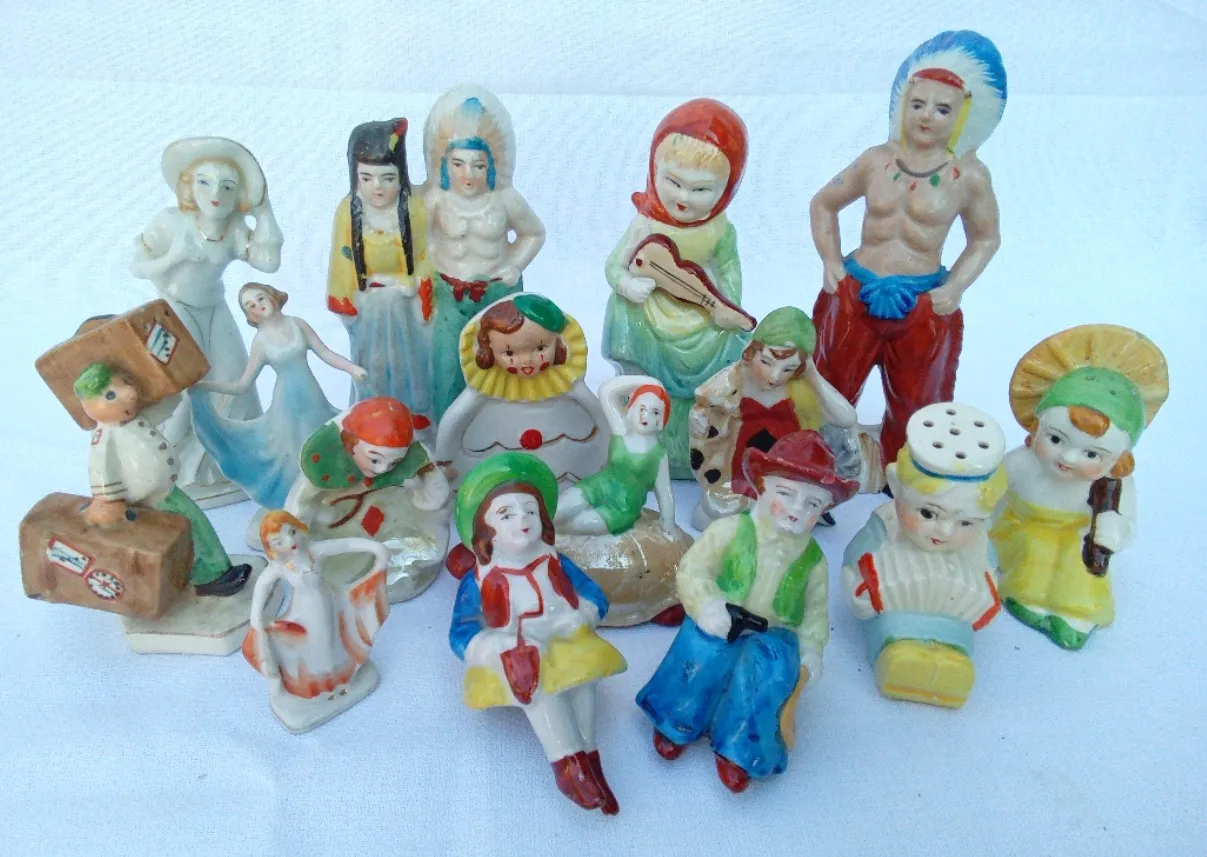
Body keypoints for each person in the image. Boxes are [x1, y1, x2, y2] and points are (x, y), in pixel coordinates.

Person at [808, 31, 1005, 475]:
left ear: (962, 115)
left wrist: (955, 286)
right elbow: (824, 203)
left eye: (942, 109)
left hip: (921, 302)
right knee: (829, 389)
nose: (927, 116)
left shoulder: (969, 176)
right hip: (856, 292)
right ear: (902, 105)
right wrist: (831, 261)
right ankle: (819, 469)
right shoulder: (875, 160)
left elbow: (986, 238)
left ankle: (906, 477)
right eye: (918, 104)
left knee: (919, 400)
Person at [636, 431, 857, 793]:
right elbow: (693, 569)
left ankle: (741, 748)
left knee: (767, 676)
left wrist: (811, 649)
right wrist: (708, 605)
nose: (797, 510)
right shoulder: (729, 529)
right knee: (700, 656)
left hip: (774, 633)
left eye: (813, 504)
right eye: (786, 494)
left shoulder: (814, 561)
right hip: (722, 618)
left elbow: (815, 612)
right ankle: (677, 720)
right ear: (762, 487)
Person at [449, 453, 626, 814]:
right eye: (506, 514)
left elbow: (595, 596)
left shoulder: (555, 562)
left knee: (584, 682)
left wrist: (582, 615)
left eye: (530, 510)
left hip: (567, 640)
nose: (523, 520)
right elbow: (461, 632)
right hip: (518, 655)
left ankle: (590, 756)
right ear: (485, 530)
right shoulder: (480, 579)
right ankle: (566, 764)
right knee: (541, 687)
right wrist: (494, 644)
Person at [992, 325, 1168, 650]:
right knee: (1035, 550)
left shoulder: (1113, 486)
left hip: (1079, 537)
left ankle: (1076, 615)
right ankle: (1025, 598)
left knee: (1079, 564)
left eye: (1091, 454)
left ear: (1118, 458)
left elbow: (1126, 523)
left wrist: (1115, 530)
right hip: (1020, 529)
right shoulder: (1021, 463)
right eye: (1056, 439)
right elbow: (990, 496)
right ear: (1037, 428)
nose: (1068, 458)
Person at [603, 98, 752, 478]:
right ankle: (640, 428)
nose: (683, 197)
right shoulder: (646, 222)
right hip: (652, 309)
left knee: (733, 343)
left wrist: (727, 303)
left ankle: (697, 440)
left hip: (699, 314)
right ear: (654, 171)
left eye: (701, 189)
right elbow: (614, 265)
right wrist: (627, 284)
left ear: (728, 188)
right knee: (623, 312)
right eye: (673, 182)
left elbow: (729, 268)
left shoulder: (720, 229)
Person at [130, 137, 283, 504]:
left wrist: (264, 211)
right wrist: (174, 256)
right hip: (173, 308)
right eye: (205, 182)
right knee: (187, 385)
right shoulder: (171, 222)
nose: (216, 194)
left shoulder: (233, 226)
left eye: (227, 186)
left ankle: (228, 460)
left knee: (235, 379)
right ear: (188, 186)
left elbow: (268, 262)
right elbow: (137, 266)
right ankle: (166, 466)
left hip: (214, 307)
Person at [842, 403, 1007, 708]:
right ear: (895, 485)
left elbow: (992, 569)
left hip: (954, 625)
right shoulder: (886, 524)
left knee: (952, 661)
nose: (944, 531)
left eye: (965, 522)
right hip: (895, 621)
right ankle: (897, 667)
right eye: (928, 513)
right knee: (897, 653)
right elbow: (853, 559)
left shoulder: (978, 543)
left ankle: (949, 674)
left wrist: (988, 592)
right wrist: (857, 591)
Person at [422, 86, 546, 420]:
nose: (468, 174)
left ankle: (499, 427)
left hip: (496, 293)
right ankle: (448, 431)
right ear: (444, 165)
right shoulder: (436, 200)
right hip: (450, 295)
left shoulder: (505, 199)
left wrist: (515, 264)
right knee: (447, 367)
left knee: (501, 365)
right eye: (458, 164)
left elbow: (534, 233)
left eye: (478, 165)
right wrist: (430, 267)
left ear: (491, 166)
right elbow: (418, 239)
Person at [76, 363, 251, 597]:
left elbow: (165, 408)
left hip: (165, 492)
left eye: (125, 384)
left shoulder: (135, 418)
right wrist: (107, 500)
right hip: (150, 501)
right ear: (89, 408)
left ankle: (208, 573)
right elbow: (101, 470)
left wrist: (177, 389)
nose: (129, 393)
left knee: (192, 528)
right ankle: (212, 575)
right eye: (110, 395)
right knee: (193, 527)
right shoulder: (105, 437)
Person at [189, 283, 366, 509]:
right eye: (250, 305)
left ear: (272, 296)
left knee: (324, 442)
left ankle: (334, 495)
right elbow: (242, 385)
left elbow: (324, 352)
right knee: (295, 454)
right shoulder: (261, 341)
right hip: (287, 405)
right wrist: (207, 386)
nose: (257, 305)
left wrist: (352, 369)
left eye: (260, 298)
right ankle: (300, 502)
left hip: (312, 398)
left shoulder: (297, 324)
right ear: (248, 315)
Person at [690, 307, 859, 526]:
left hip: (787, 477)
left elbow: (846, 419)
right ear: (752, 351)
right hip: (737, 472)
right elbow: (703, 403)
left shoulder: (801, 388)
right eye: (767, 362)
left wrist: (812, 375)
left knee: (787, 507)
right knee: (715, 510)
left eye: (789, 369)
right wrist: (698, 418)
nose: (775, 376)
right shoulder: (734, 380)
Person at [285, 397, 451, 603]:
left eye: (394, 463)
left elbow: (433, 497)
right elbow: (299, 508)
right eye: (374, 459)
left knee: (413, 543)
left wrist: (423, 483)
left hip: (387, 515)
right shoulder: (325, 467)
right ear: (350, 444)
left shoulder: (409, 462)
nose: (382, 469)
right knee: (341, 565)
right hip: (339, 527)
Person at [434, 294, 609, 487]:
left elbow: (600, 416)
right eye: (509, 353)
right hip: (499, 482)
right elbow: (454, 421)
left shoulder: (569, 388)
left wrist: (611, 454)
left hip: (566, 474)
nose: (526, 361)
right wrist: (444, 461)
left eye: (540, 348)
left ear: (559, 343)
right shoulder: (483, 393)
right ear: (489, 351)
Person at [327, 118, 434, 426]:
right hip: (368, 304)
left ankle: (413, 411)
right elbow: (341, 261)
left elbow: (428, 253)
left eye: (387, 178)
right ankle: (371, 412)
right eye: (367, 178)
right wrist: (347, 300)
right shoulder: (348, 211)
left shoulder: (414, 208)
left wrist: (414, 282)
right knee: (372, 361)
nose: (377, 187)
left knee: (408, 360)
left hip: (404, 302)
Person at [242, 510, 390, 733]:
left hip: (331, 603)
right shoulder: (280, 567)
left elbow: (345, 544)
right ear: (271, 547)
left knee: (337, 641)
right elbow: (262, 586)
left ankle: (342, 680)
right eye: (279, 541)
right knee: (315, 647)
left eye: (292, 532)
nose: (290, 541)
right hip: (305, 613)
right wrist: (255, 619)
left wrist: (376, 549)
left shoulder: (313, 550)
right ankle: (320, 688)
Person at [556, 376, 674, 538]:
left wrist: (668, 527)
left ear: (661, 420)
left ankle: (549, 539)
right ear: (631, 409)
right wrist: (649, 382)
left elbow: (664, 493)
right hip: (597, 487)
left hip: (621, 508)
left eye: (654, 412)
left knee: (575, 525)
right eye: (641, 409)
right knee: (558, 512)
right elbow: (606, 391)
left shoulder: (658, 455)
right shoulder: (621, 430)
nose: (645, 416)